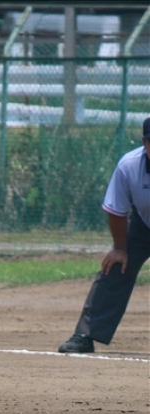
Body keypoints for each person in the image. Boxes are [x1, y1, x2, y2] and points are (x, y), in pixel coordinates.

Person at [58, 117, 150, 353]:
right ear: (144, 143)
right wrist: (120, 248)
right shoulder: (129, 166)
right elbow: (117, 211)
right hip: (143, 225)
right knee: (116, 266)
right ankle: (85, 334)